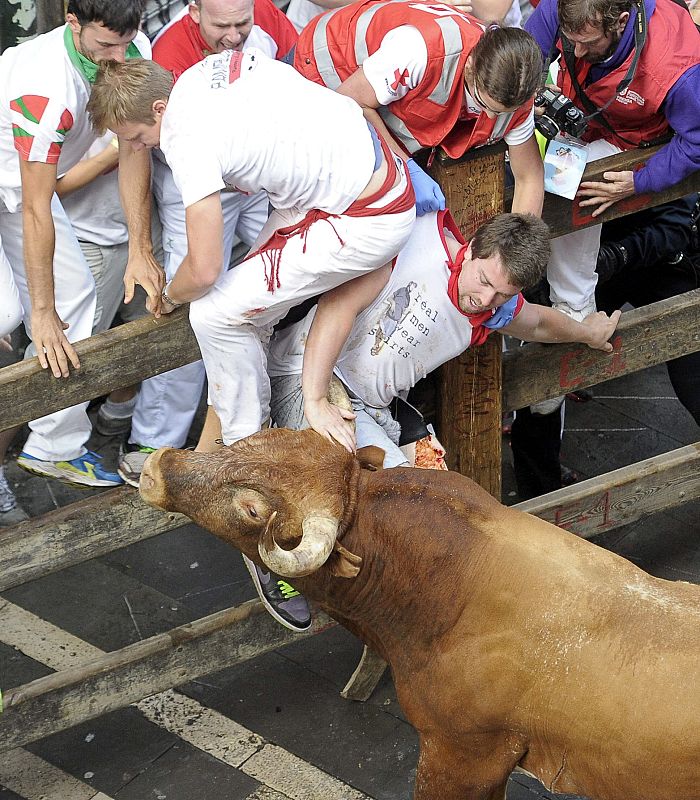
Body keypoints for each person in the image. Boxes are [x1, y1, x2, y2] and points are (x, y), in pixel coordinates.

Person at [88, 52, 415, 631]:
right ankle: (234, 443)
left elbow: (206, 268)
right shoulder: (202, 71)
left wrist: (171, 295)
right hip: (360, 170)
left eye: (139, 137)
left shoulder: (186, 137)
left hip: (362, 213)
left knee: (214, 313)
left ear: (160, 110)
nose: (140, 148)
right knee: (244, 306)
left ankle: (250, 470)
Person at [116, 0, 298, 487]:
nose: (235, 36)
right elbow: (135, 146)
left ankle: (264, 413)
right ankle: (154, 439)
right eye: (222, 26)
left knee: (277, 280)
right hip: (192, 182)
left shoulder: (270, 19)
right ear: (194, 11)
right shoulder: (170, 51)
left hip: (258, 174)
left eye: (244, 24)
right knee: (185, 299)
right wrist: (142, 247)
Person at [266, 210, 621, 460]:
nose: (485, 300)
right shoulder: (415, 243)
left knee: (426, 499)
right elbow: (337, 306)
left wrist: (588, 332)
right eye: (484, 281)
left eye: (502, 294)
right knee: (375, 500)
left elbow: (540, 323)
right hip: (309, 374)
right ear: (470, 250)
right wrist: (314, 401)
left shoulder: (494, 309)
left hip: (372, 406)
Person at [0, 0, 162, 488]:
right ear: (73, 23)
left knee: (77, 297)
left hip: (23, 191)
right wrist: (41, 314)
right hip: (23, 188)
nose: (116, 57)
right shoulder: (45, 87)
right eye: (103, 44)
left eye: (123, 42)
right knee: (11, 315)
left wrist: (140, 248)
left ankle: (53, 446)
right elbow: (36, 205)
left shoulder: (134, 47)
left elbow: (134, 146)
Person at [510, 193, 700, 499]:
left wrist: (613, 256)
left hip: (657, 259)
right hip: (581, 268)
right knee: (541, 379)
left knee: (694, 371)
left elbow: (677, 222)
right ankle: (537, 496)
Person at [525, 0, 700, 322]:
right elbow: (524, 53)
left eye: (588, 43)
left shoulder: (679, 69)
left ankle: (573, 310)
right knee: (545, 182)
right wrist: (534, 88)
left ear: (621, 21)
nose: (576, 52)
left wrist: (641, 180)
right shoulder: (566, 7)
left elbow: (697, 142)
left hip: (635, 137)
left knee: (572, 185)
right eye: (570, 40)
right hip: (580, 114)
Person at [293, 2, 545, 217]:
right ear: (470, 67)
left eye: (500, 112)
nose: (490, 118)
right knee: (307, 195)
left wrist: (516, 253)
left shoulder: (517, 86)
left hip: (377, 96)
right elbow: (350, 103)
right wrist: (405, 168)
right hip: (324, 67)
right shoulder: (422, 51)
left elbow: (529, 179)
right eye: (483, 103)